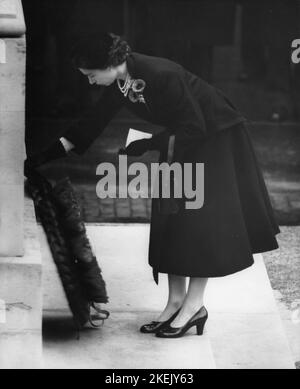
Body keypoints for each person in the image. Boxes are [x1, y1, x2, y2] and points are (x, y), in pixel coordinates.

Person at [26, 32, 280, 339]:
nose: (90, 82)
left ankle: (194, 306)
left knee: (198, 221)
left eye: (91, 75)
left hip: (215, 138)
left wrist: (149, 142)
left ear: (109, 64)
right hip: (184, 139)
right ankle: (175, 303)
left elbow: (195, 126)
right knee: (171, 218)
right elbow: (90, 125)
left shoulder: (160, 73)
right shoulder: (122, 81)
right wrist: (41, 157)